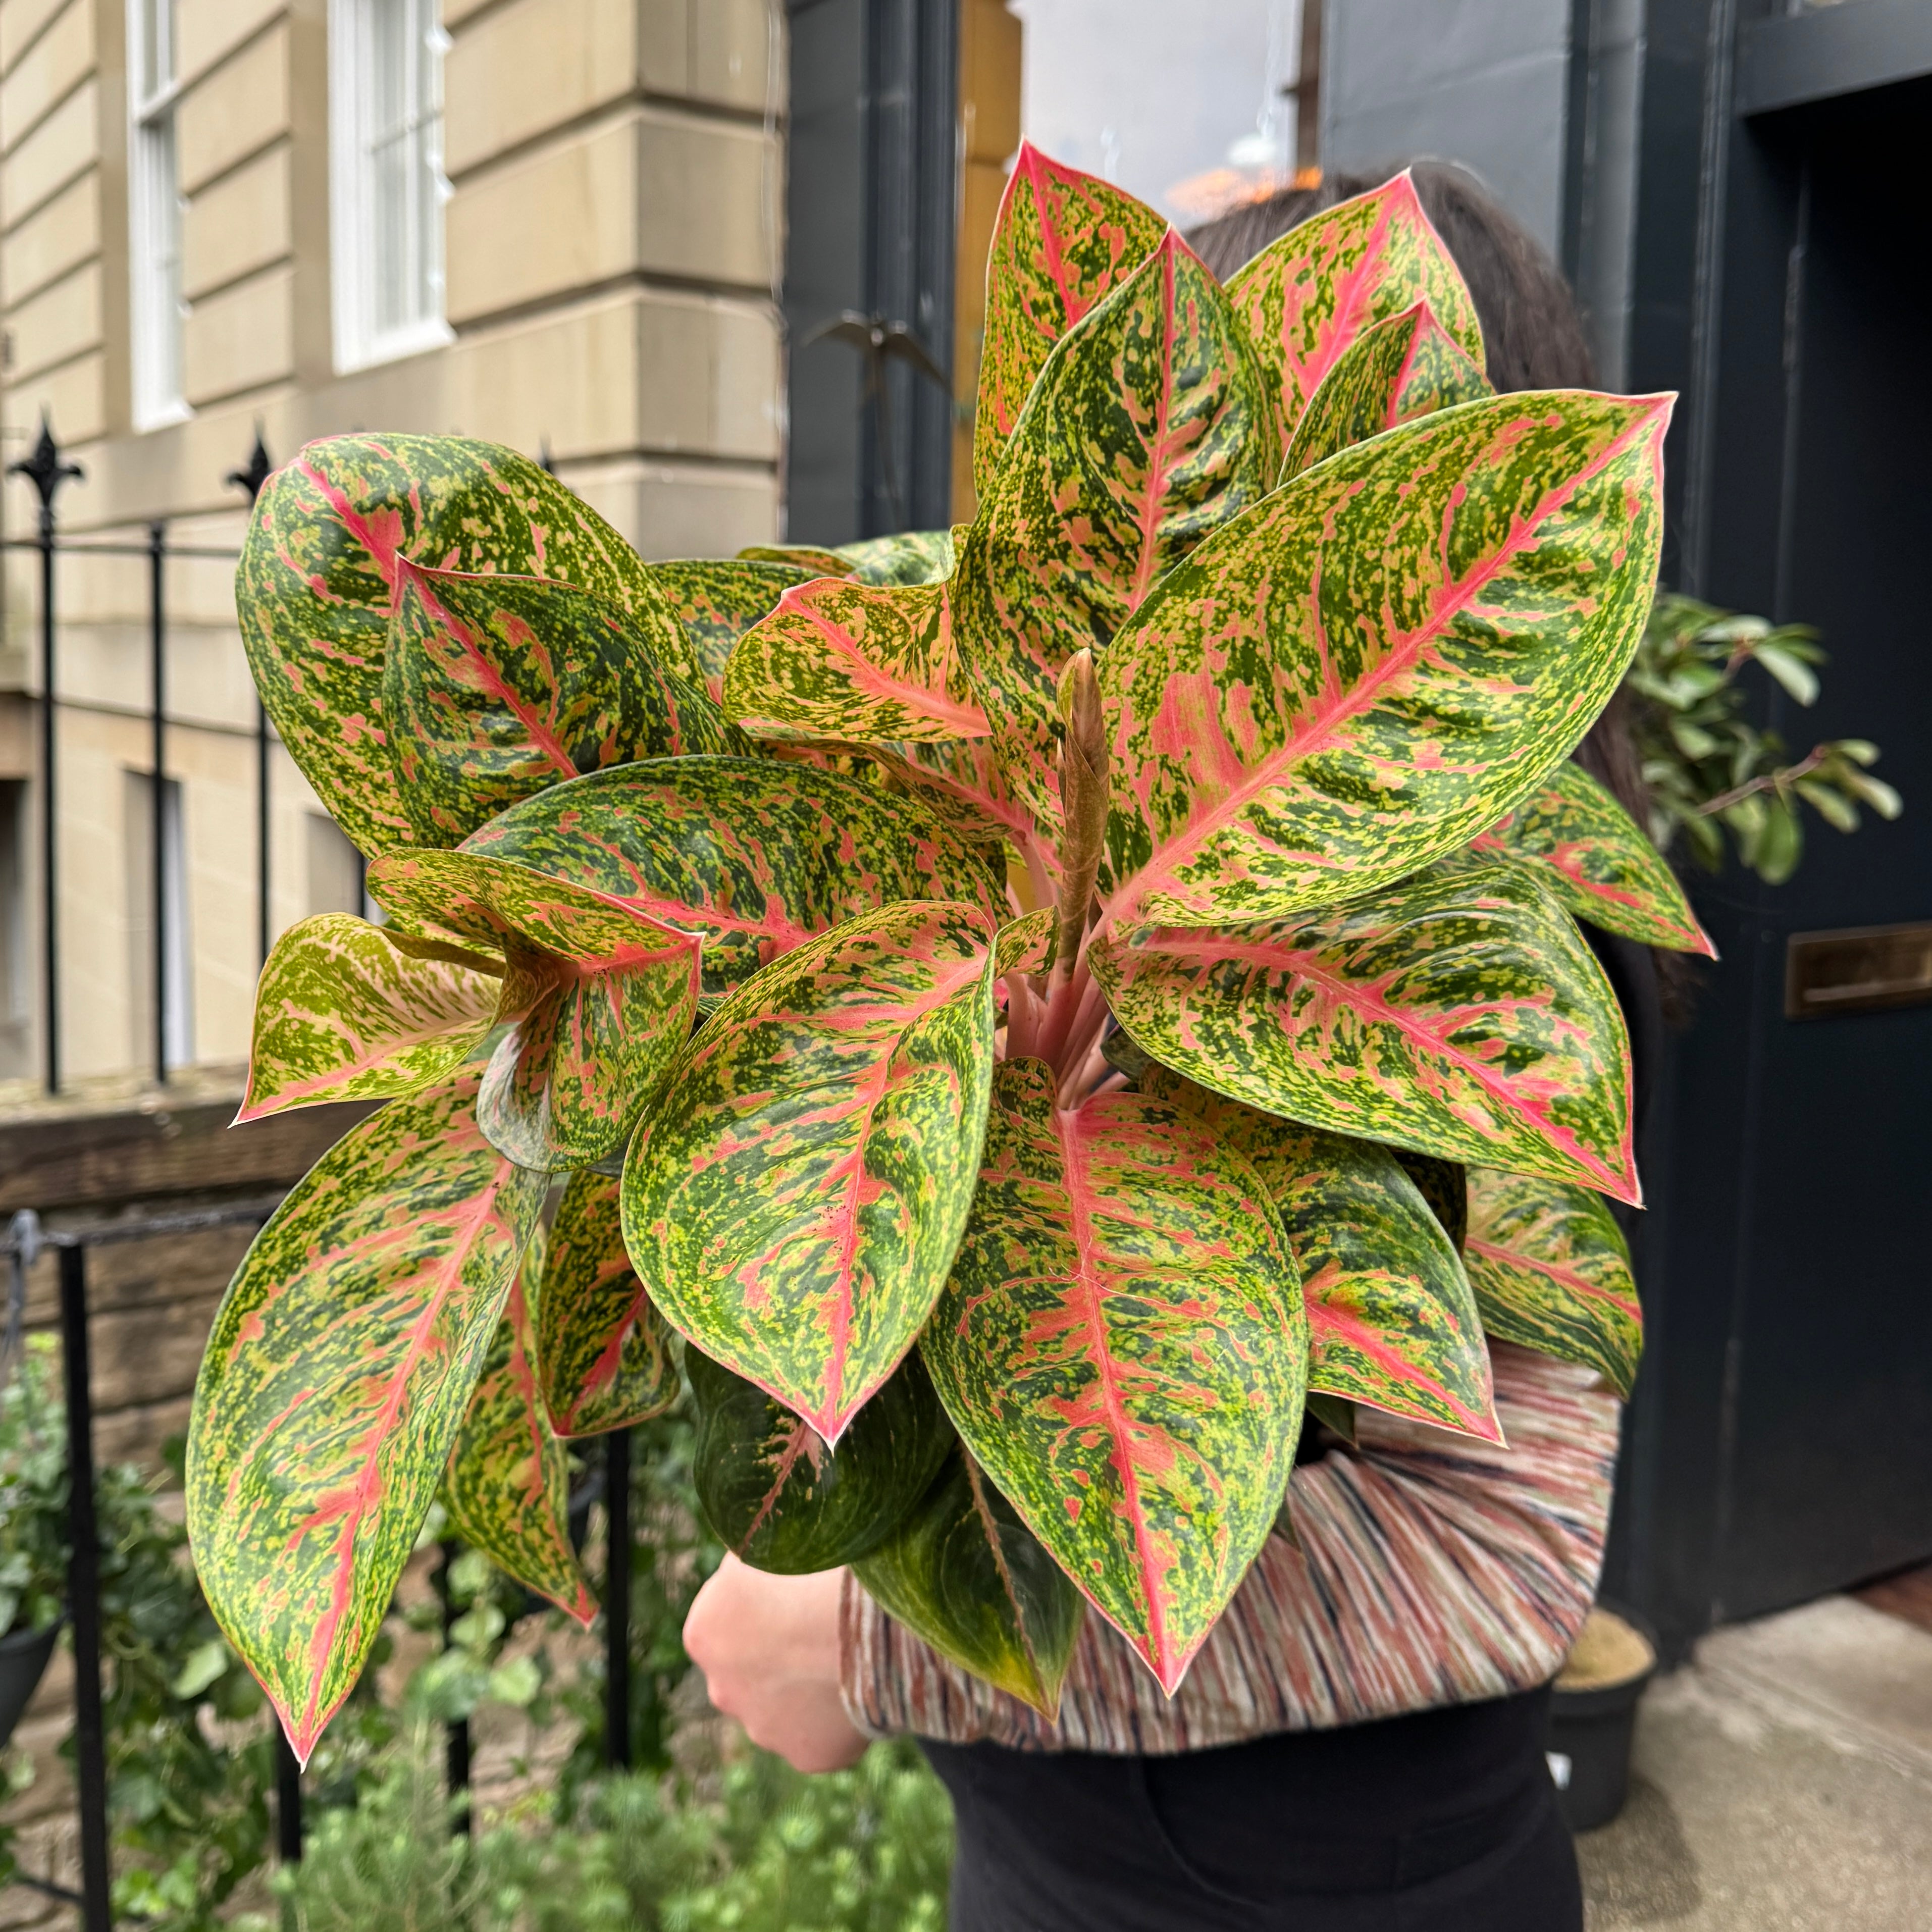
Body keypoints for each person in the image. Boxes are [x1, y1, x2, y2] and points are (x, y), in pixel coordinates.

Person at [684, 161, 1662, 1932]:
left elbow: (1494, 1555)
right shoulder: (1008, 873)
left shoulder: (1484, 959)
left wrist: (867, 1640)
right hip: (1068, 1861)